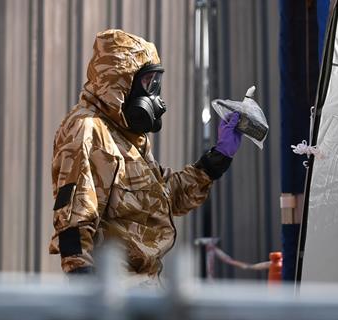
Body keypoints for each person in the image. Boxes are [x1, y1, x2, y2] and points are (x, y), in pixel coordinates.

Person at [48, 29, 242, 285]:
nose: (154, 95)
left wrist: (217, 157)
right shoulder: (87, 129)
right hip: (115, 291)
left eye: (156, 83)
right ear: (120, 82)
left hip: (146, 287)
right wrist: (86, 290)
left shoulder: (126, 136)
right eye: (147, 82)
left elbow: (168, 197)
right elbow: (74, 221)